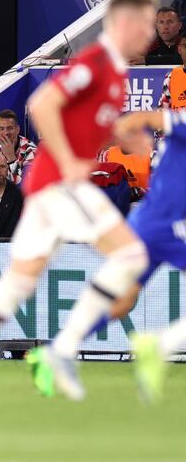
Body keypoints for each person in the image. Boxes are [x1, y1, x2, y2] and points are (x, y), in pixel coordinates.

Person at [0, 0, 158, 415]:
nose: (149, 35)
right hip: (59, 185)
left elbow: (91, 131)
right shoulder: (93, 63)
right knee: (129, 256)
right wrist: (70, 161)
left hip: (50, 187)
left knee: (20, 280)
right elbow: (43, 103)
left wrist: (123, 135)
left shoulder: (115, 76)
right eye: (144, 26)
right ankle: (61, 352)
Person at [107, 109, 186, 404]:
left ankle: (62, 347)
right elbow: (152, 120)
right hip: (165, 226)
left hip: (145, 223)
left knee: (123, 300)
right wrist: (126, 124)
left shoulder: (169, 145)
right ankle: (161, 345)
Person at [0, 109, 37, 185]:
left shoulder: (31, 150)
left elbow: (26, 185)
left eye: (10, 128)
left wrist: (11, 158)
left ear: (17, 129)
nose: (6, 133)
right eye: (1, 129)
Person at [157, 36, 186, 111]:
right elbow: (163, 109)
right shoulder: (171, 76)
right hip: (179, 122)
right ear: (179, 49)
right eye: (185, 46)